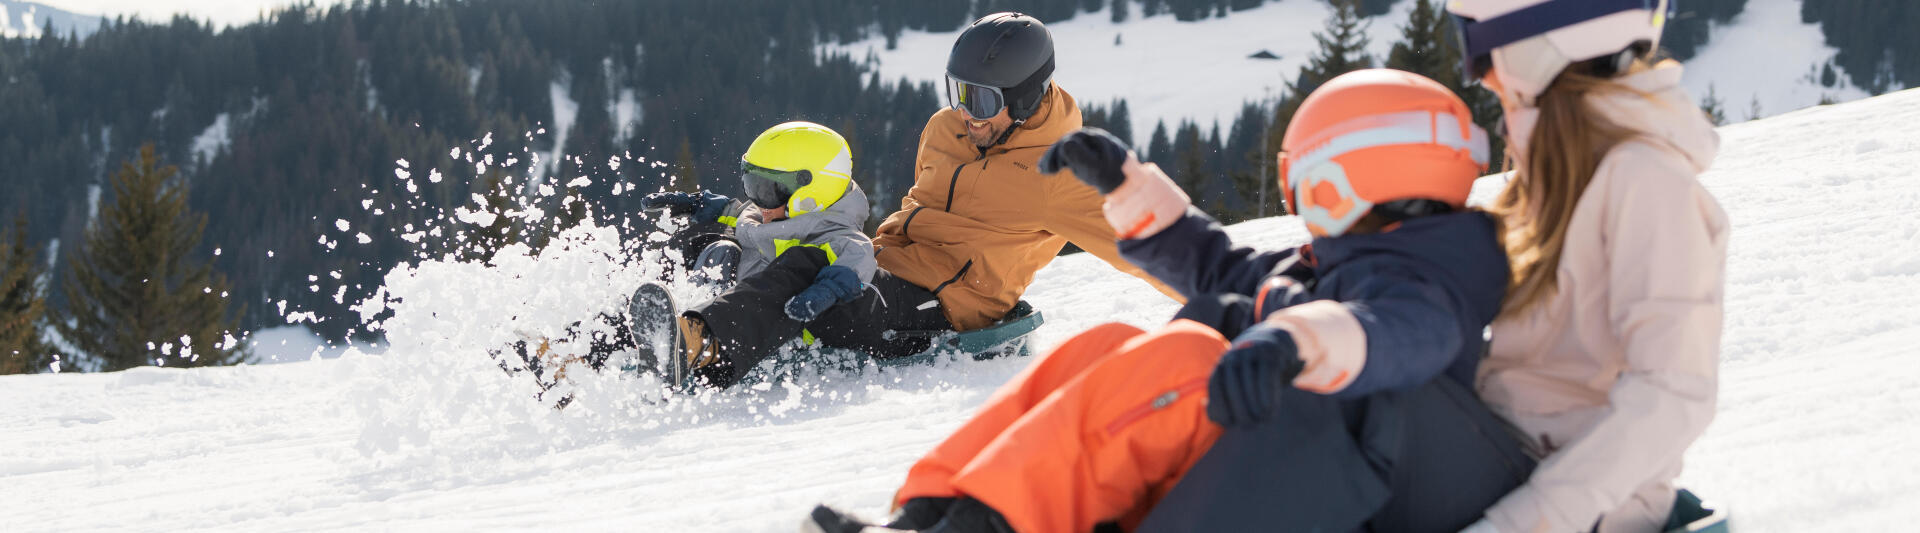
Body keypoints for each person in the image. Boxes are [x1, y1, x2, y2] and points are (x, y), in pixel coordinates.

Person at [804, 69, 1529, 533]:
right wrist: (1128, 189)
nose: (1298, 201)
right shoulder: (1344, 257)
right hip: (1299, 444)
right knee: (1108, 342)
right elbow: (1223, 265)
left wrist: (1300, 338)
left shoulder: (1428, 280)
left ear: (1354, 178)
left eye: (1306, 178)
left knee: (1184, 354)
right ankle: (925, 512)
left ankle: (981, 526)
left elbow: (1403, 333)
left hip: (1359, 478)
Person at [526, 12, 1176, 392]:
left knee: (802, 268)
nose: (965, 113)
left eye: (982, 100)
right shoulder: (945, 129)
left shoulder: (1066, 174)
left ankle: (701, 347)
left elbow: (1158, 248)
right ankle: (580, 347)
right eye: (959, 92)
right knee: (726, 248)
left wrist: (1244, 302)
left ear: (1030, 97)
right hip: (881, 261)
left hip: (944, 308)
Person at [1445, 0, 1729, 531]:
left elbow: (1672, 394)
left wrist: (1523, 523)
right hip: (1504, 453)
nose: (1482, 82)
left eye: (1481, 54)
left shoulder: (1645, 182)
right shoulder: (1559, 175)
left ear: (1539, 49)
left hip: (1567, 499)